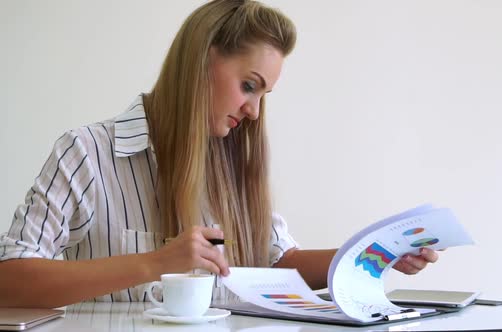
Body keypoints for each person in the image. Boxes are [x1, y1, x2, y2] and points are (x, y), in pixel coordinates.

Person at [0, 0, 439, 308]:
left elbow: (280, 264)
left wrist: (378, 253)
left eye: (264, 94)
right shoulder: (87, 153)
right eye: (249, 85)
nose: (253, 110)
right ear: (203, 62)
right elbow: (10, 279)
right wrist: (157, 263)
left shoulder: (234, 167)